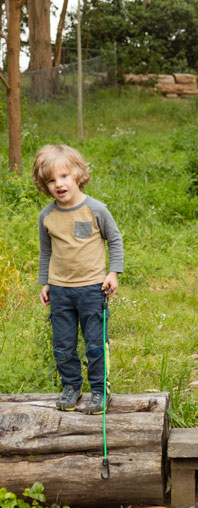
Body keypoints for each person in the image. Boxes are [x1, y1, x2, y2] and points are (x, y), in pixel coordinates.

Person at [33, 144, 124, 414]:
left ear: (78, 175)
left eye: (63, 176)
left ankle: (99, 390)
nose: (58, 184)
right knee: (63, 345)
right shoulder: (47, 216)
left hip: (92, 290)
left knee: (95, 343)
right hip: (61, 291)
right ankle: (71, 386)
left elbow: (115, 240)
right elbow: (46, 251)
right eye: (50, 180)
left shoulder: (96, 209)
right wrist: (46, 282)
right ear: (44, 184)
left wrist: (113, 272)